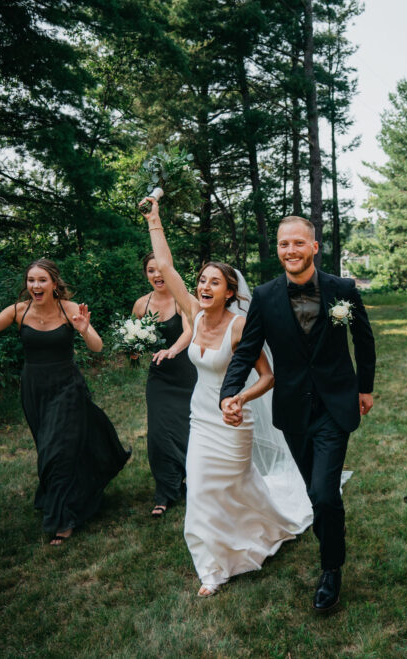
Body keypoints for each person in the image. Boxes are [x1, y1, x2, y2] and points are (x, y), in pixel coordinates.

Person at [141, 198, 311, 597]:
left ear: (230, 291)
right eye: (202, 281)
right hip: (200, 420)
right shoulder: (195, 316)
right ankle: (212, 568)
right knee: (200, 491)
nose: (203, 286)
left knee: (235, 488)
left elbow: (269, 377)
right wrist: (155, 220)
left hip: (234, 424)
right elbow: (165, 267)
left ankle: (269, 527)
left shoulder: (240, 328)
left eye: (214, 282)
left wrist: (240, 399)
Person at [220, 215, 376, 613]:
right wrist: (228, 392)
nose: (290, 250)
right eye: (283, 244)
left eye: (297, 243)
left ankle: (331, 571)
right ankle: (331, 525)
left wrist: (365, 387)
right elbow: (246, 350)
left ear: (313, 247)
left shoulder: (342, 289)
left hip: (335, 404)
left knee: (324, 492)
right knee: (315, 492)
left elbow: (363, 338)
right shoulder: (266, 296)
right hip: (292, 408)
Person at [0, 259, 130, 546]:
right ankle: (72, 496)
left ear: (54, 284)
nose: (35, 285)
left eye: (42, 280)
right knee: (49, 448)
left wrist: (84, 329)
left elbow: (97, 346)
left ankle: (61, 521)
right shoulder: (18, 311)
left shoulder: (68, 309)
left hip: (67, 387)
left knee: (57, 452)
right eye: (31, 280)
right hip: (35, 391)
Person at [132, 252, 196, 518]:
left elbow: (191, 331)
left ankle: (195, 481)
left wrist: (173, 349)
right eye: (150, 271)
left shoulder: (182, 299)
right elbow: (135, 333)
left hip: (187, 373)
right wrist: (132, 348)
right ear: (146, 274)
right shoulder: (141, 304)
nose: (157, 275)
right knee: (159, 434)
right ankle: (165, 490)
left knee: (190, 429)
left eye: (160, 270)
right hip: (159, 376)